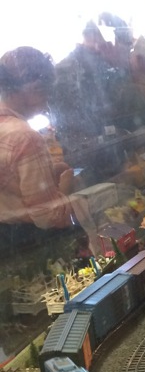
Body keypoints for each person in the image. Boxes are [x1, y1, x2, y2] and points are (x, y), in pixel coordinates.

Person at [0, 46, 89, 281]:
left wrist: (48, 173)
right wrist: (66, 186)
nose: (47, 100)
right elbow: (47, 216)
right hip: (29, 244)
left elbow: (12, 186)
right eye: (44, 91)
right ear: (32, 88)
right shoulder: (26, 137)